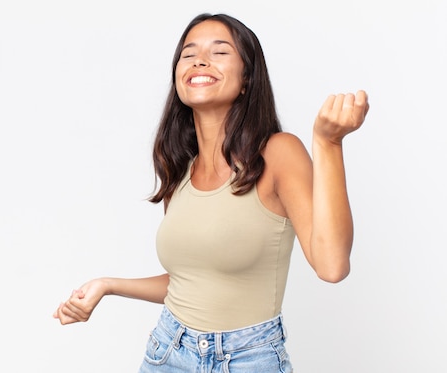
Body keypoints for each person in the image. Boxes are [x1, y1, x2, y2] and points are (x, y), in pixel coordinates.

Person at [53, 12, 369, 373]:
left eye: (220, 52)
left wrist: (328, 144)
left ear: (247, 78)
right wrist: (107, 285)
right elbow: (192, 282)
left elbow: (332, 266)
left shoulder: (278, 152)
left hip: (249, 359)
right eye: (189, 54)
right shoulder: (181, 171)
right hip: (168, 352)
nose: (200, 60)